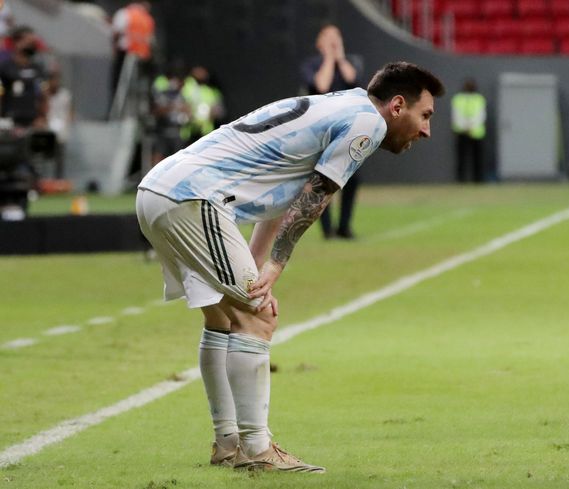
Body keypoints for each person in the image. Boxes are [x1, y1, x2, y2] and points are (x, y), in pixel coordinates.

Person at [136, 61, 444, 473]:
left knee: (224, 314)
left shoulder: (341, 105)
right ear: (397, 105)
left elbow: (284, 197)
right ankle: (258, 450)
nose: (426, 130)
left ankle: (228, 444)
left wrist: (259, 266)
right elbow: (314, 197)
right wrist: (277, 267)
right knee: (257, 318)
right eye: (425, 115)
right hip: (193, 198)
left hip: (159, 191)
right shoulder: (366, 124)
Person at [300, 24, 364, 239]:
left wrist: (340, 57)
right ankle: (327, 229)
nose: (334, 41)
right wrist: (328, 58)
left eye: (337, 37)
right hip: (321, 130)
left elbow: (352, 80)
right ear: (319, 42)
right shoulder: (312, 65)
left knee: (352, 178)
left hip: (347, 129)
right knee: (322, 179)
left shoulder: (349, 63)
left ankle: (344, 225)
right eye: (329, 38)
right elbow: (321, 86)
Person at [0, 25, 46, 129]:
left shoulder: (37, 68)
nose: (32, 46)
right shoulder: (5, 67)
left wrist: (42, 117)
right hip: (9, 121)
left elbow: (43, 94)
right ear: (17, 42)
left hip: (32, 121)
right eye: (29, 42)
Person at [110, 1, 155, 103]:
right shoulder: (148, 19)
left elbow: (116, 32)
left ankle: (117, 108)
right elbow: (150, 40)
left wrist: (113, 48)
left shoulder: (125, 13)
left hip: (126, 54)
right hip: (142, 57)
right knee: (138, 87)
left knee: (119, 85)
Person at [151, 61, 190, 164]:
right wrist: (171, 106)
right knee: (159, 156)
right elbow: (157, 111)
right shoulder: (163, 95)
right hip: (163, 130)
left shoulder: (182, 96)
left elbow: (188, 112)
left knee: (178, 159)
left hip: (178, 131)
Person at [451, 78, 486, 183]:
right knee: (461, 159)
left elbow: (481, 116)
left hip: (476, 133)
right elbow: (456, 115)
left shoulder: (479, 99)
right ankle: (461, 181)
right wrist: (464, 127)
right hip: (462, 132)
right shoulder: (458, 99)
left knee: (477, 159)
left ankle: (478, 181)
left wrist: (471, 127)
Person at [181, 65, 224, 144]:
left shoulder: (211, 91)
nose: (202, 74)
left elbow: (218, 111)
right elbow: (184, 103)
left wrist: (212, 113)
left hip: (205, 131)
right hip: (189, 130)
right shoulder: (188, 85)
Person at [46, 67, 73, 178]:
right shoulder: (45, 94)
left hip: (61, 128)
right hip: (48, 127)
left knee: (60, 156)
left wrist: (67, 121)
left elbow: (70, 112)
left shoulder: (65, 95)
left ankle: (58, 179)